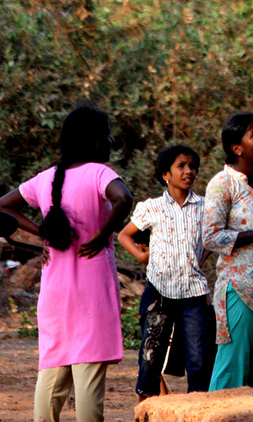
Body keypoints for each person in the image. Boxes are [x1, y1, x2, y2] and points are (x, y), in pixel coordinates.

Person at [0, 104, 132, 422]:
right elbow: (123, 198)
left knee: (52, 377)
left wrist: (41, 231)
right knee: (87, 384)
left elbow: (3, 205)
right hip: (92, 294)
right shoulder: (100, 174)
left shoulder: (44, 179)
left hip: (55, 294)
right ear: (97, 142)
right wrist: (102, 234)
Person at [118, 144, 213, 400]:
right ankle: (145, 411)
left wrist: (196, 261)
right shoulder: (152, 207)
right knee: (150, 358)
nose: (188, 171)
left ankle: (196, 410)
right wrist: (141, 256)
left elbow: (212, 241)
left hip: (193, 295)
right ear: (166, 175)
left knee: (199, 359)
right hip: (159, 293)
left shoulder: (205, 207)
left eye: (192, 166)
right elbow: (125, 235)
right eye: (181, 166)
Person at [202, 112, 253, 390]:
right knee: (232, 371)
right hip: (239, 291)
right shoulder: (223, 184)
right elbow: (211, 237)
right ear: (236, 147)